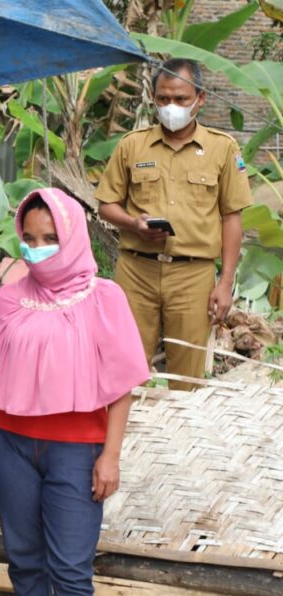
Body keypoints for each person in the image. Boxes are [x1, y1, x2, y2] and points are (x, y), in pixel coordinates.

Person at [0, 189, 149, 596]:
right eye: (29, 238)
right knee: (24, 556)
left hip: (77, 450)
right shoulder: (9, 298)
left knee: (70, 567)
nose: (37, 248)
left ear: (72, 239)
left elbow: (122, 385)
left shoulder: (104, 298)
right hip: (11, 445)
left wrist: (110, 456)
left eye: (49, 238)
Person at [96, 58, 253, 389]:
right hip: (136, 271)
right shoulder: (132, 145)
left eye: (181, 99)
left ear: (200, 98)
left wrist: (225, 283)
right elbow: (106, 205)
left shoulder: (222, 148)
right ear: (153, 98)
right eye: (163, 98)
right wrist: (133, 223)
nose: (171, 107)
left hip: (192, 276)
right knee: (125, 371)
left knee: (187, 377)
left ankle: (182, 424)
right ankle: (128, 425)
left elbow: (232, 217)